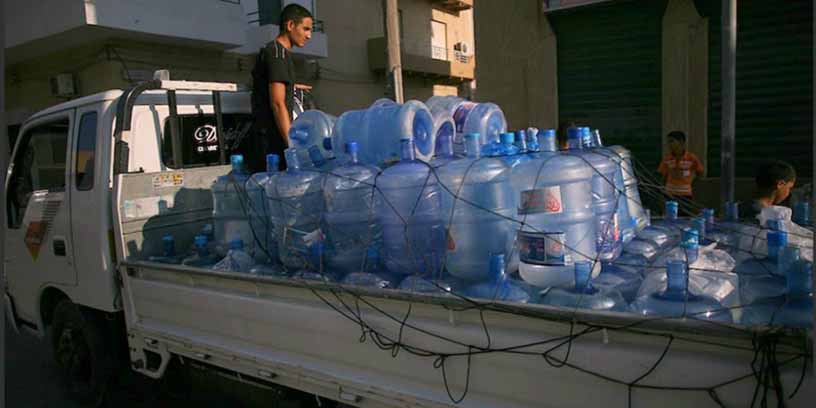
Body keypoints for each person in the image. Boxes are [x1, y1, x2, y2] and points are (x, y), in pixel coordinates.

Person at [245, 4, 314, 172]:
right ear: (290, 26)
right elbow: (277, 103)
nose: (309, 35)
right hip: (270, 143)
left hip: (268, 140)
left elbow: (269, 83)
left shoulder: (274, 52)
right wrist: (292, 145)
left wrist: (292, 86)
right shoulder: (278, 54)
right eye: (305, 29)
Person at [658, 131, 704, 212]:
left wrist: (692, 183)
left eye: (671, 141)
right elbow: (662, 175)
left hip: (686, 195)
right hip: (670, 195)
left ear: (681, 142)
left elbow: (700, 172)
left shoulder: (691, 158)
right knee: (671, 218)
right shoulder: (667, 158)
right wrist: (663, 192)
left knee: (685, 218)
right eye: (668, 142)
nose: (669, 144)